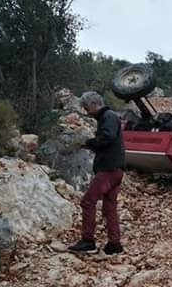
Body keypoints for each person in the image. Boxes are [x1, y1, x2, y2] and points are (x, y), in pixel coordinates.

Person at [68, 91, 125, 254]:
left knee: (88, 202)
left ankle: (88, 241)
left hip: (108, 170)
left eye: (87, 107)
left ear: (94, 104)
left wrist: (89, 143)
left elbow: (107, 138)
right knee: (109, 207)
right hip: (116, 169)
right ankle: (114, 244)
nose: (87, 111)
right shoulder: (110, 117)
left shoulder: (108, 116)